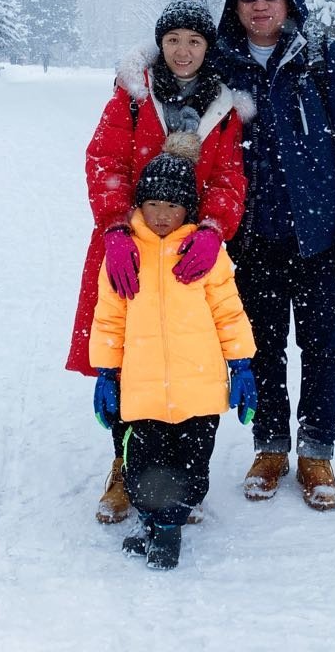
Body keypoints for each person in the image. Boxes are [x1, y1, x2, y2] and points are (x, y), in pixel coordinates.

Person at [66, 0, 253, 523]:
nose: (183, 51)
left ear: (206, 46)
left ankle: (176, 471)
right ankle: (126, 469)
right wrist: (117, 228)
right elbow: (105, 163)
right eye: (173, 40)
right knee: (126, 359)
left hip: (192, 258)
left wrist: (213, 230)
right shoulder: (130, 98)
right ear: (160, 43)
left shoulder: (222, 107)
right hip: (128, 248)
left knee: (185, 362)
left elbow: (229, 179)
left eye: (194, 41)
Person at [212, 0, 335, 511]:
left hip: (320, 238)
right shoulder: (221, 66)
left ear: (288, 2)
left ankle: (316, 452)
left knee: (322, 347)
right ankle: (271, 446)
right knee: (261, 349)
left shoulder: (324, 61)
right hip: (253, 239)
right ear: (235, 8)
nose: (260, 4)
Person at [89, 134, 257, 569]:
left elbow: (229, 312)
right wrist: (107, 373)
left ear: (189, 210)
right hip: (142, 393)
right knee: (143, 464)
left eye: (174, 206)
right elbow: (109, 320)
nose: (162, 215)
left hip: (197, 390)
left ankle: (170, 523)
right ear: (139, 205)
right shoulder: (125, 255)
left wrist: (241, 363)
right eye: (154, 204)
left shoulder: (205, 253)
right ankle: (158, 525)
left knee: (192, 464)